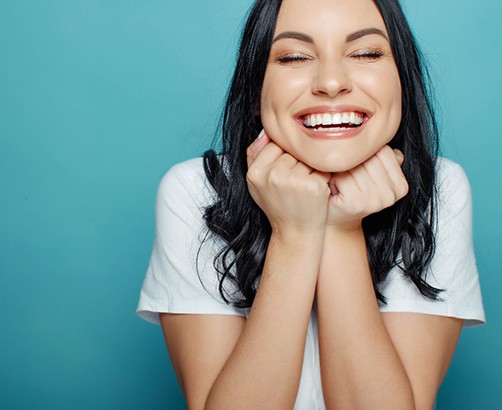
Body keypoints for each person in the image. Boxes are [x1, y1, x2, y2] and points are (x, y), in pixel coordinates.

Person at [137, 0, 485, 408]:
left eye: (366, 53)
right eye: (294, 56)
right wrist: (295, 234)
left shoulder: (439, 189)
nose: (332, 82)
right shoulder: (197, 191)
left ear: (402, 80)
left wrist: (341, 228)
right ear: (254, 90)